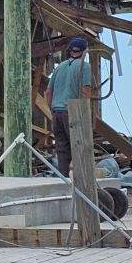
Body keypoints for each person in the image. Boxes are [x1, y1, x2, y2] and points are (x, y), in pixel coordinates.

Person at [46, 36, 94, 176]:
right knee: (79, 144)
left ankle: (63, 178)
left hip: (57, 111)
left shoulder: (60, 67)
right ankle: (82, 178)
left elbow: (49, 91)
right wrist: (88, 112)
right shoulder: (84, 67)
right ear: (85, 51)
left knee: (61, 148)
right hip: (72, 112)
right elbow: (86, 91)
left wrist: (52, 109)